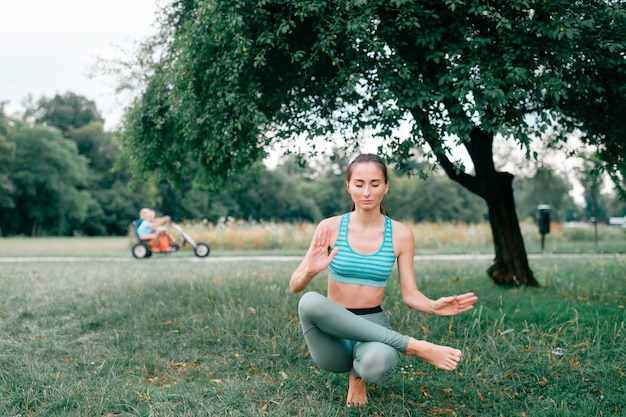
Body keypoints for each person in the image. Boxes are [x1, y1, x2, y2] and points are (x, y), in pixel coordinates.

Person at [289, 154, 478, 407]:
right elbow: (295, 285)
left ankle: (359, 375)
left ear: (386, 187)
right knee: (309, 301)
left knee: (375, 366)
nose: (367, 192)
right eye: (359, 184)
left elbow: (410, 294)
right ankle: (414, 346)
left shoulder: (400, 234)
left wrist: (433, 306)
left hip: (373, 324)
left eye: (375, 184)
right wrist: (310, 271)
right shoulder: (329, 228)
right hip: (334, 331)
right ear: (348, 186)